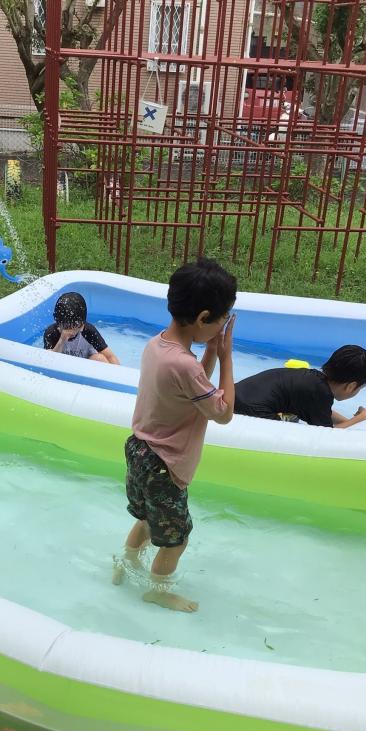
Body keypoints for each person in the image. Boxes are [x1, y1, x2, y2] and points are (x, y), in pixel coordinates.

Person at [116, 258, 236, 613]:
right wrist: (226, 357)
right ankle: (157, 591)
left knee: (145, 519)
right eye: (222, 320)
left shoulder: (157, 345)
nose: (222, 327)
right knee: (176, 540)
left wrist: (210, 350)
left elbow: (193, 388)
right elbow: (223, 412)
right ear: (203, 317)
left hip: (139, 451)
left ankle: (126, 562)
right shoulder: (183, 364)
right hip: (164, 466)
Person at [234, 345, 366, 428]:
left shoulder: (314, 380)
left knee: (292, 418)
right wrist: (360, 418)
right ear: (351, 386)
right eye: (359, 388)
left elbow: (322, 411)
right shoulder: (321, 393)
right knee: (292, 430)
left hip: (235, 395)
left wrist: (348, 421)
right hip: (250, 411)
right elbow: (327, 435)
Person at [43, 292, 120, 364]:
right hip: (62, 366)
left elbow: (110, 357)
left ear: (82, 323)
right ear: (58, 322)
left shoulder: (88, 331)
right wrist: (62, 340)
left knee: (99, 358)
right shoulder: (51, 332)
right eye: (66, 327)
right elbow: (49, 362)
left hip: (86, 366)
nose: (70, 331)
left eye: (75, 326)